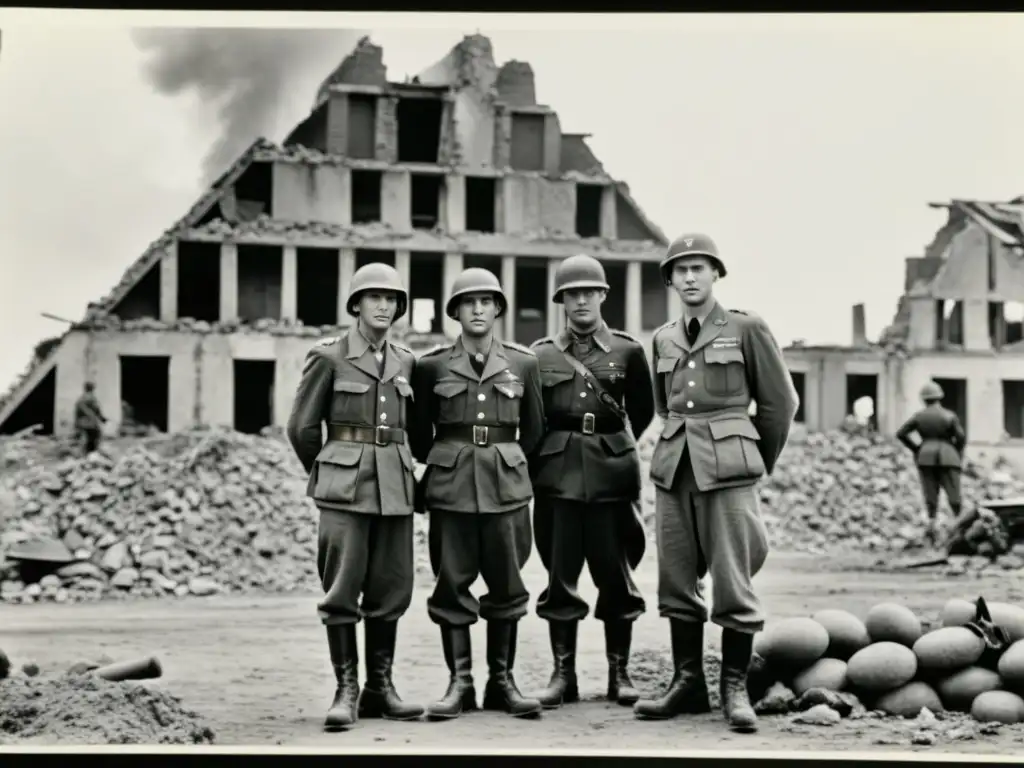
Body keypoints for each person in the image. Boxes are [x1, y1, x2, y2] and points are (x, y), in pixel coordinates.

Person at [635, 233, 798, 733]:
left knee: (732, 579)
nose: (688, 278)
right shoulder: (663, 337)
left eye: (698, 269)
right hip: (675, 467)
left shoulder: (746, 328)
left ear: (716, 274)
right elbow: (665, 407)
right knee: (677, 578)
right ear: (669, 280)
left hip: (729, 468)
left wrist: (751, 458)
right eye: (679, 271)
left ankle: (733, 688)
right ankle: (688, 683)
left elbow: (779, 405)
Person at [286, 261, 423, 732]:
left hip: (396, 488)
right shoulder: (329, 356)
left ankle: (380, 688)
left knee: (392, 589)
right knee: (342, 590)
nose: (384, 306)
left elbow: (412, 428)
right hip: (344, 490)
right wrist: (330, 472)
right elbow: (302, 428)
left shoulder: (406, 360)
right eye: (375, 297)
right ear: (357, 304)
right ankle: (346, 690)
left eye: (392, 299)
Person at [409, 267, 546, 721]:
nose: (479, 309)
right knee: (452, 585)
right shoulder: (431, 366)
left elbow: (536, 432)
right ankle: (460, 682)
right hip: (451, 490)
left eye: (487, 301)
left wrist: (505, 461)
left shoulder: (524, 363)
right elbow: (417, 434)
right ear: (455, 311)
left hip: (506, 489)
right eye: (469, 302)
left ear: (499, 308)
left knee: (508, 585)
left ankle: (502, 682)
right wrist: (452, 459)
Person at [528, 254, 655, 709]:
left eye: (589, 291)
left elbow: (642, 411)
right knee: (561, 578)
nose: (581, 300)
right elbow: (533, 416)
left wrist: (611, 446)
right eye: (572, 293)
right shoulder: (540, 354)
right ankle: (564, 674)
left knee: (615, 577)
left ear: (603, 295)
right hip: (557, 476)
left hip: (611, 477)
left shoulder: (627, 350)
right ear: (561, 299)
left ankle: (619, 673)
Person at [895, 380, 966, 546]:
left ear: (924, 399)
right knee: (954, 495)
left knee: (931, 495)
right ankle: (960, 528)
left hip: (925, 457)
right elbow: (961, 438)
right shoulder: (949, 415)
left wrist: (917, 448)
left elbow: (901, 433)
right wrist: (954, 450)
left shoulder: (919, 417)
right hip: (949, 457)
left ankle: (932, 529)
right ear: (939, 397)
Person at [74, 382, 107, 455]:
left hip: (83, 422)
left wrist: (76, 423)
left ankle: (86, 454)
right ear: (92, 389)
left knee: (86, 438)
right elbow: (97, 409)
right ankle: (92, 453)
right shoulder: (92, 398)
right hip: (90, 422)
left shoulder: (81, 398)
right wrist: (102, 418)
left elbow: (77, 411)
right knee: (95, 437)